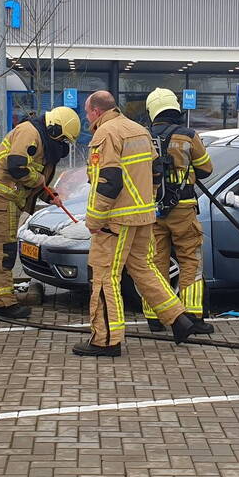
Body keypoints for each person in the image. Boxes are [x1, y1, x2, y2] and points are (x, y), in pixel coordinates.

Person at [74, 90, 197, 357]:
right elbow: (156, 171)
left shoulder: (106, 134)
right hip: (143, 216)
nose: (87, 117)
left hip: (115, 221)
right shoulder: (139, 130)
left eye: (87, 112)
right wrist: (146, 202)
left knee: (105, 276)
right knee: (144, 269)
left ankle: (106, 340)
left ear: (96, 111)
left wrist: (94, 219)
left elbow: (108, 180)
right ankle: (179, 319)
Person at [0, 106, 80, 318]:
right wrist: (39, 180)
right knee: (3, 251)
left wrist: (49, 195)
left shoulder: (42, 140)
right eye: (62, 139)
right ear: (54, 129)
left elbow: (32, 177)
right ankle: (4, 304)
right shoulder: (29, 132)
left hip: (6, 197)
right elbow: (17, 167)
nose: (62, 144)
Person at [140, 88, 215, 334]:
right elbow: (206, 169)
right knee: (190, 260)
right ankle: (192, 316)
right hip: (183, 208)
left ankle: (155, 317)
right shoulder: (188, 136)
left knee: (155, 261)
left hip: (152, 209)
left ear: (152, 111)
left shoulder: (143, 136)